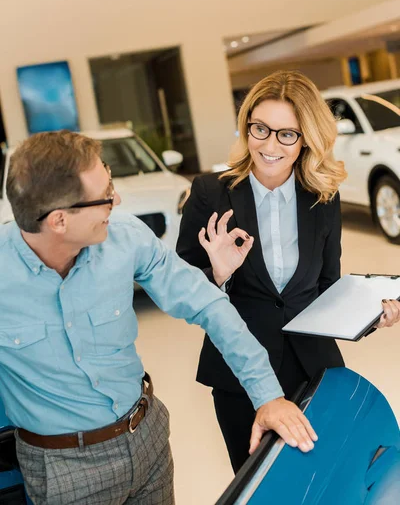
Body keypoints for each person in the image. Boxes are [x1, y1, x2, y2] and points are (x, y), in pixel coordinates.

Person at [0, 130, 317, 505]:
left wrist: (267, 396)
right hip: (62, 468)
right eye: (104, 196)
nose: (117, 200)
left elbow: (208, 306)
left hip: (146, 440)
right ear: (58, 221)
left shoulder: (128, 238)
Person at [177, 70, 349, 473]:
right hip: (240, 375)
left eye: (286, 134)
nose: (270, 145)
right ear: (246, 127)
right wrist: (218, 274)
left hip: (316, 371)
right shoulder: (209, 193)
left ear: (307, 137)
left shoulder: (323, 196)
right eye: (260, 129)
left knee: (323, 481)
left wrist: (376, 315)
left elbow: (329, 287)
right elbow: (178, 287)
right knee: (258, 486)